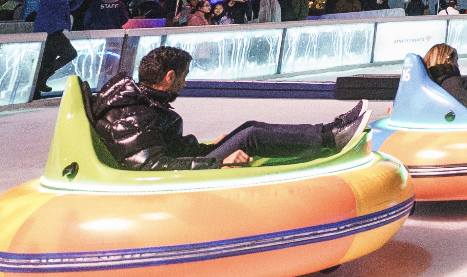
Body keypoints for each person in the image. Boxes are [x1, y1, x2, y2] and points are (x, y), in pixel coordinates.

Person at [92, 46, 367, 168]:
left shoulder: (140, 103)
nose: (185, 84)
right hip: (171, 178)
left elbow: (164, 148)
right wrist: (215, 162)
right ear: (169, 77)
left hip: (184, 164)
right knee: (251, 137)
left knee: (247, 128)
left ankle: (328, 129)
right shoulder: (132, 112)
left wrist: (202, 149)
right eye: (184, 76)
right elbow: (150, 164)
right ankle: (330, 139)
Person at [32, 0, 97, 98]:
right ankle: (41, 79)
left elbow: (71, 6)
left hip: (52, 31)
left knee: (47, 60)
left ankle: (37, 88)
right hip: (50, 32)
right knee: (70, 53)